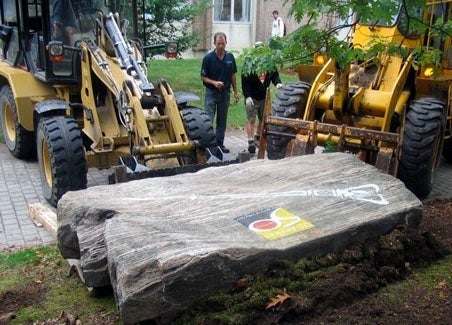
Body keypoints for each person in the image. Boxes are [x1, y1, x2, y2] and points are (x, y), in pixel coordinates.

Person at [201, 32, 240, 153]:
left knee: (222, 120)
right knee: (208, 118)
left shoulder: (230, 57)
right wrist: (214, 83)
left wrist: (235, 91)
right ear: (214, 44)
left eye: (223, 43)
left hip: (225, 92)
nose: (221, 46)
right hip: (211, 92)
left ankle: (219, 144)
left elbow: (233, 75)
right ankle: (207, 145)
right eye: (218, 44)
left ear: (226, 43)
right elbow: (203, 77)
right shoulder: (208, 58)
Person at [241, 68, 282, 154]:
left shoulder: (269, 64)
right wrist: (247, 96)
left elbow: (275, 75)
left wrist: (278, 83)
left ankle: (257, 137)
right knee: (251, 119)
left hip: (264, 97)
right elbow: (244, 82)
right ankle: (251, 142)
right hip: (252, 98)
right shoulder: (250, 65)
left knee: (262, 119)